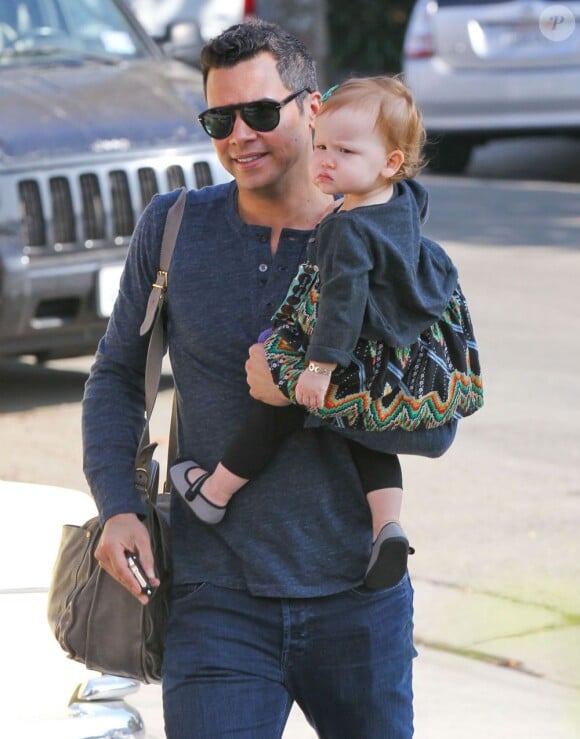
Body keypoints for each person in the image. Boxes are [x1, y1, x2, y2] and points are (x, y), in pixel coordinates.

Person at [82, 20, 422, 739]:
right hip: (215, 600)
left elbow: (433, 423)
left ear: (314, 108)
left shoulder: (386, 242)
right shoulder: (174, 226)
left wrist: (301, 386)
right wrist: (118, 505)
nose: (240, 135)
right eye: (219, 118)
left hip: (357, 600)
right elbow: (116, 376)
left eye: (261, 113)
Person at [169, 75, 461, 591]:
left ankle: (215, 491)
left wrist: (316, 369)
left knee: (276, 408)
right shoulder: (404, 202)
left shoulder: (347, 228)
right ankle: (386, 525)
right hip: (388, 353)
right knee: (370, 443)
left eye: (345, 151)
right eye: (321, 145)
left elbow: (342, 304)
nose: (325, 159)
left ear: (390, 162)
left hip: (341, 348)